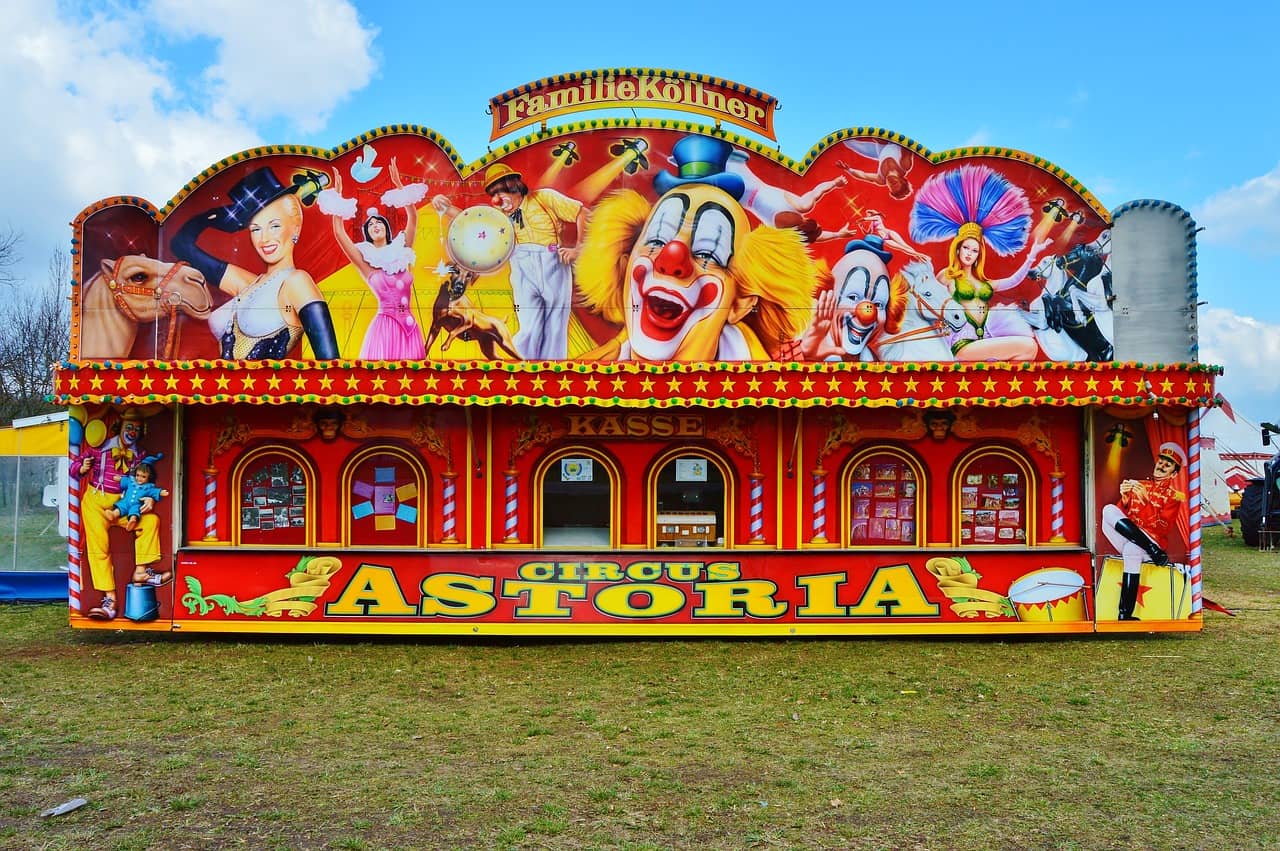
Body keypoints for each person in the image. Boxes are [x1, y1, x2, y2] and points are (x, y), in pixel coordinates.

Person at [575, 135, 818, 362]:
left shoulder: (770, 396)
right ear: (624, 266)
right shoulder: (581, 379)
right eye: (657, 240)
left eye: (708, 253)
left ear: (740, 303)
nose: (670, 260)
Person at [171, 166, 339, 360]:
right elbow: (181, 245)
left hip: (265, 389)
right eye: (255, 229)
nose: (264, 239)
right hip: (222, 388)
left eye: (274, 226)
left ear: (296, 226)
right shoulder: (246, 283)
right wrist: (216, 218)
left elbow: (330, 365)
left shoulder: (297, 282)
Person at [431, 164, 588, 360]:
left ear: (512, 186)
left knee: (555, 323)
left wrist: (578, 249)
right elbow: (470, 219)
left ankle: (553, 372)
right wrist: (445, 208)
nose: (496, 199)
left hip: (551, 261)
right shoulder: (500, 216)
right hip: (520, 265)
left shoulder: (544, 197)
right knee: (529, 324)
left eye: (499, 191)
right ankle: (523, 368)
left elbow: (582, 213)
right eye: (492, 194)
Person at [908, 164, 1053, 360]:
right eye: (966, 248)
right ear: (958, 249)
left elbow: (1013, 280)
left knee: (1029, 349)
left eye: (974, 250)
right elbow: (929, 298)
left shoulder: (983, 282)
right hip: (960, 343)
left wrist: (1033, 254)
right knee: (1028, 347)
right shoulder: (946, 275)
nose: (969, 253)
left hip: (984, 337)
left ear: (979, 255)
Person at [318, 157, 429, 359]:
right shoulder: (367, 262)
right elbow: (339, 233)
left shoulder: (402, 251)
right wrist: (339, 200)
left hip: (410, 329)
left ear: (386, 229)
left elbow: (413, 218)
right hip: (385, 328)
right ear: (368, 233)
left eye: (379, 222)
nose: (375, 224)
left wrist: (398, 185)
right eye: (370, 225)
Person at [76, 410, 167, 619]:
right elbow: (74, 468)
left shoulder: (141, 455)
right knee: (99, 548)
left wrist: (150, 498)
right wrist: (82, 467)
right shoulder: (99, 448)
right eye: (129, 427)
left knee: (151, 521)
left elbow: (146, 484)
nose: (132, 432)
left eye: (136, 428)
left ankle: (141, 570)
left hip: (123, 505)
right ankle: (110, 601)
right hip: (96, 502)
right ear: (120, 426)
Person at [784, 235, 908, 362]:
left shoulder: (873, 362)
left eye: (878, 303)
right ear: (827, 297)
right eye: (853, 297)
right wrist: (804, 356)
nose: (867, 313)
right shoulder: (794, 340)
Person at [1101, 442, 1187, 620]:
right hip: (1144, 545)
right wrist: (1125, 499)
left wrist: (1147, 502)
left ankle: (1124, 614)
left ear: (1175, 472)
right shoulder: (1139, 484)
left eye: (1168, 464)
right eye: (1161, 460)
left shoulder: (1174, 497)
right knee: (1108, 509)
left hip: (1152, 539)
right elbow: (1119, 517)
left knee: (1132, 550)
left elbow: (1163, 528)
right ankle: (1152, 550)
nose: (1162, 465)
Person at [725, 149, 854, 243]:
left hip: (744, 176)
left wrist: (835, 183)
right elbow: (817, 237)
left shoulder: (802, 206)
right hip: (740, 198)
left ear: (808, 221)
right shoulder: (784, 234)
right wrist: (837, 235)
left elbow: (818, 191)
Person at [838, 139, 915, 200]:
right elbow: (908, 145)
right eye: (895, 183)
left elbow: (863, 175)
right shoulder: (905, 165)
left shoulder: (880, 179)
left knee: (848, 143)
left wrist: (848, 169)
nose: (890, 183)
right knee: (879, 139)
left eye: (890, 187)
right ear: (903, 180)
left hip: (881, 151)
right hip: (894, 143)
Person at [106, 462, 169, 532]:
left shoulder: (148, 488)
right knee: (121, 507)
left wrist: (161, 492)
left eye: (143, 476)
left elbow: (154, 491)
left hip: (136, 504)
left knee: (134, 512)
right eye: (137, 475)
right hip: (126, 501)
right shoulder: (131, 482)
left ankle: (132, 521)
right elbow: (125, 481)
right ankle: (113, 514)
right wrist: (120, 479)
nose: (139, 478)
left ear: (149, 478)